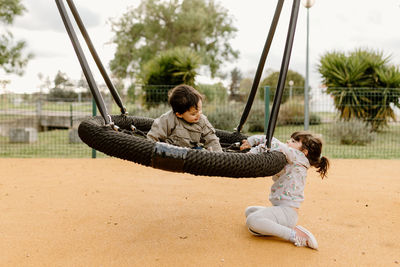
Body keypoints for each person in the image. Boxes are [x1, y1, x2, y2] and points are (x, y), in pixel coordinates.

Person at [240, 131, 330, 250]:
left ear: (304, 152)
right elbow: (272, 140)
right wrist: (252, 141)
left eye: (293, 141)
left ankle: (293, 235)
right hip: (282, 210)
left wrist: (251, 151)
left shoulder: (298, 157)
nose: (288, 142)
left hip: (287, 213)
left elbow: (273, 144)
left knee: (252, 221)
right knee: (249, 211)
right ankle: (280, 227)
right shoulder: (295, 157)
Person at [147, 84, 222, 152]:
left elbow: (211, 139)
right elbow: (154, 136)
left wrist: (219, 157)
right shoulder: (168, 120)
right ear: (179, 114)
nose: (199, 114)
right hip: (170, 153)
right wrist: (152, 150)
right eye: (193, 114)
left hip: (191, 154)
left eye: (200, 110)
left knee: (201, 151)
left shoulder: (202, 121)